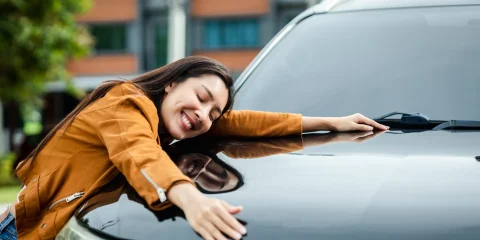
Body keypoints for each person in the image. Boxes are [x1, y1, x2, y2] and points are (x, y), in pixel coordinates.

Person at [0, 56, 388, 240]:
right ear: (172, 83)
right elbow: (138, 153)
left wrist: (330, 123)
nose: (203, 115)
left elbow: (245, 122)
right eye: (200, 97)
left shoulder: (169, 120)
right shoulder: (125, 102)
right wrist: (191, 199)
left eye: (212, 111)